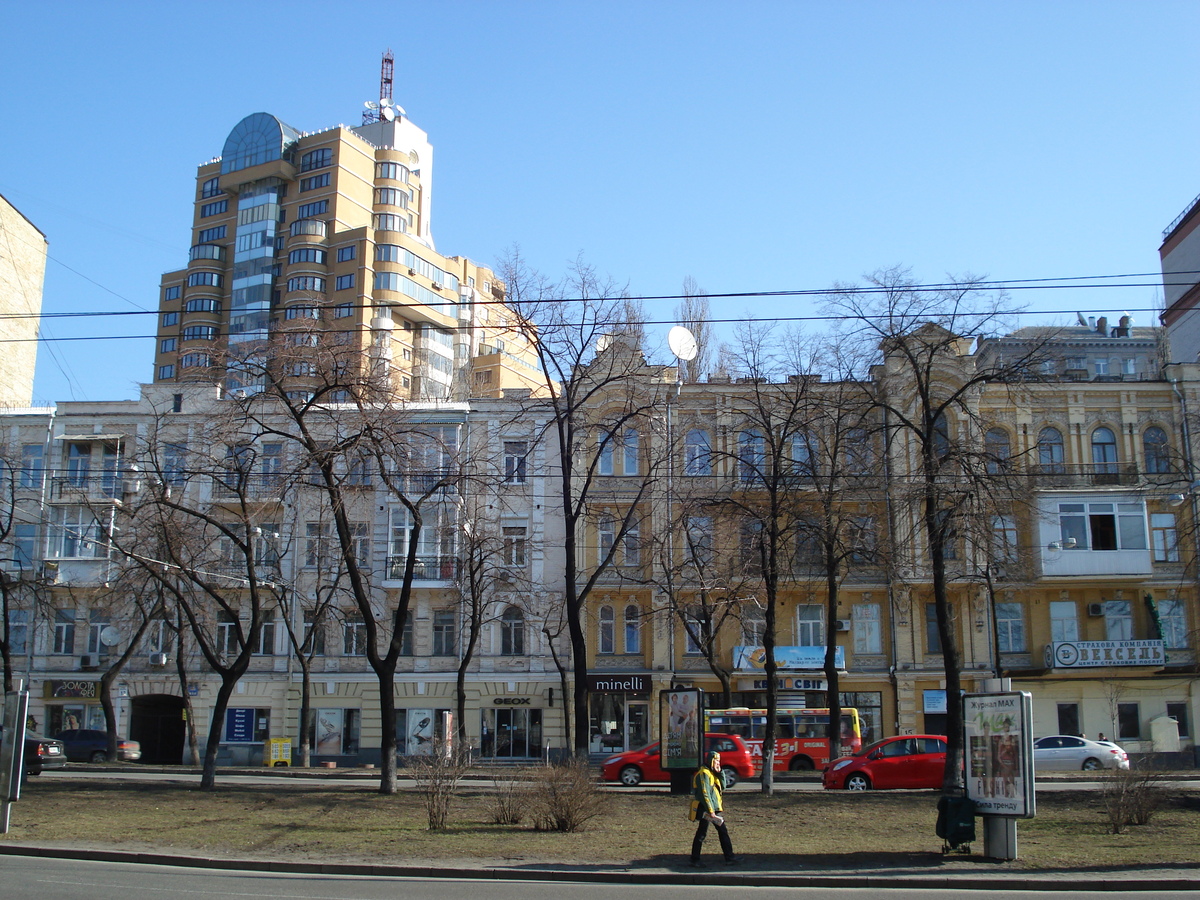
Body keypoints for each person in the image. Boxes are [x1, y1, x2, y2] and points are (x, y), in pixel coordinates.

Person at [689, 750, 740, 867]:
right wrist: (711, 811)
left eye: (719, 761)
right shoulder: (704, 774)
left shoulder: (712, 773)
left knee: (720, 832)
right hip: (706, 809)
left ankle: (729, 857)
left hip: (713, 809)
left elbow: (723, 787)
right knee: (702, 834)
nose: (718, 763)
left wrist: (720, 772)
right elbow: (704, 793)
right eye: (716, 760)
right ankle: (695, 859)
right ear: (711, 760)